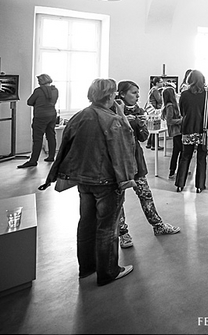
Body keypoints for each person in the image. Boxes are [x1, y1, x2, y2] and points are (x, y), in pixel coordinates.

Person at [40, 78, 136, 286]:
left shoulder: (80, 115)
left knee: (86, 223)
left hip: (83, 179)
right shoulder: (112, 120)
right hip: (107, 181)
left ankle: (87, 268)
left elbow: (65, 146)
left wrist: (58, 174)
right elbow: (124, 149)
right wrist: (127, 179)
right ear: (109, 95)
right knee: (107, 228)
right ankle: (108, 272)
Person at [116, 80, 180, 248]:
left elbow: (143, 137)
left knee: (145, 194)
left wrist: (141, 125)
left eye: (138, 93)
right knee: (118, 199)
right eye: (134, 93)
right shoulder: (111, 111)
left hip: (135, 160)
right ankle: (123, 233)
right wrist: (123, 119)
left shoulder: (139, 110)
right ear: (122, 94)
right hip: (117, 161)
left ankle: (158, 225)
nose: (137, 96)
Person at [177, 70, 208, 192]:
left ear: (189, 80)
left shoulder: (184, 94)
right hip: (204, 130)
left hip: (188, 128)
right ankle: (200, 185)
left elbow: (182, 112)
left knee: (185, 156)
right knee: (201, 157)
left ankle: (180, 184)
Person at [19, 73, 59, 168]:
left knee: (37, 139)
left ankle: (33, 161)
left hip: (40, 116)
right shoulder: (55, 90)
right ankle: (51, 156)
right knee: (51, 136)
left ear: (41, 81)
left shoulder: (38, 91)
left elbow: (29, 102)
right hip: (52, 115)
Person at [162, 87, 183, 179]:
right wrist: (181, 121)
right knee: (181, 151)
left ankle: (172, 171)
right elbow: (170, 121)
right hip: (176, 131)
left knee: (176, 151)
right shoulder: (170, 106)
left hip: (176, 131)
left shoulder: (171, 105)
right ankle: (180, 170)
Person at [145, 77, 164, 150]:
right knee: (155, 127)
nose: (162, 83)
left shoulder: (152, 90)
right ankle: (154, 145)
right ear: (157, 83)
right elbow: (159, 100)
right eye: (161, 82)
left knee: (152, 128)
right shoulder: (155, 90)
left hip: (150, 110)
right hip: (154, 110)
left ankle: (149, 143)